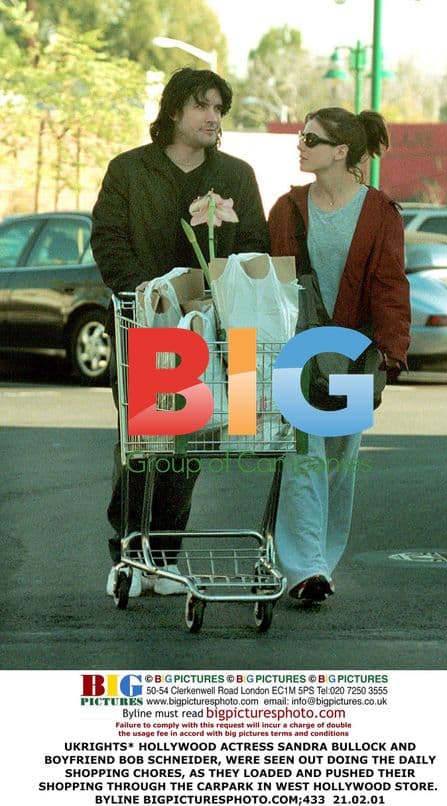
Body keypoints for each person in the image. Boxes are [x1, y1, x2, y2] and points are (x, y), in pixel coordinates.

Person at [91, 67, 269, 597]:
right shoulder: (128, 170)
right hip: (144, 324)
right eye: (203, 106)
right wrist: (146, 297)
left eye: (219, 109)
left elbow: (254, 243)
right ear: (174, 111)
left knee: (189, 445)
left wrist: (218, 299)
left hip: (211, 331)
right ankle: (128, 552)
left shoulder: (236, 175)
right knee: (142, 445)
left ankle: (164, 554)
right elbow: (108, 238)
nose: (213, 117)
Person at [268, 107, 411, 603]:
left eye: (311, 137)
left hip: (354, 354)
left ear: (342, 151)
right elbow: (272, 283)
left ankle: (323, 561)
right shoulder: (287, 209)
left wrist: (392, 353)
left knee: (340, 460)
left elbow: (391, 287)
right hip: (298, 352)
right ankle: (305, 567)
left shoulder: (379, 212)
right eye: (302, 136)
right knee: (303, 455)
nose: (300, 144)